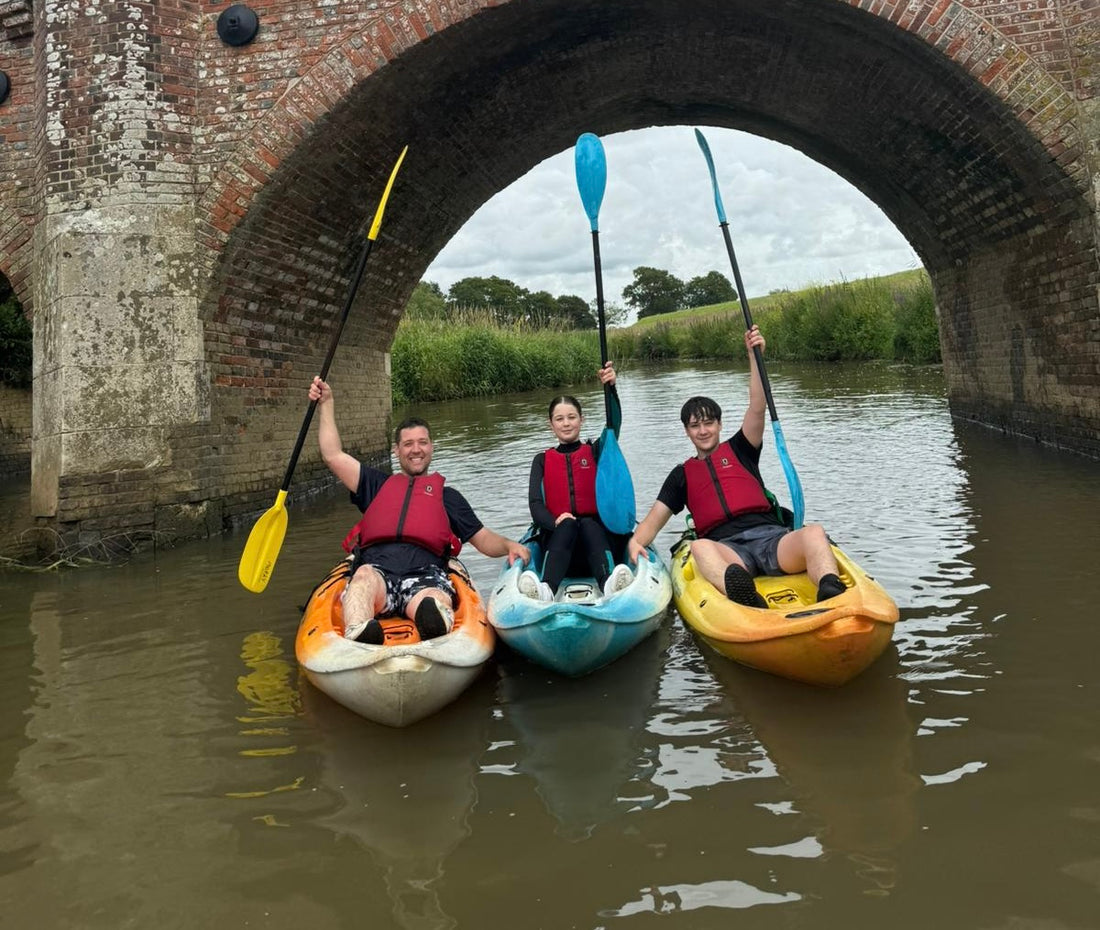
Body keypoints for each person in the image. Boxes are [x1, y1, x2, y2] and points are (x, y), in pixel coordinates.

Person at [626, 326, 846, 607]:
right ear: (687, 432)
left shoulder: (742, 448)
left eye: (708, 423)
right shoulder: (681, 475)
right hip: (728, 551)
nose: (703, 431)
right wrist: (635, 544)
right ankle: (746, 597)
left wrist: (755, 357)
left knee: (814, 531)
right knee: (699, 546)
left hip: (771, 541)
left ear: (719, 425)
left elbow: (757, 405)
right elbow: (654, 520)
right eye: (695, 426)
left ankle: (830, 588)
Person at [309, 376, 530, 642]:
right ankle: (361, 630)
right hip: (378, 573)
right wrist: (327, 403)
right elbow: (333, 455)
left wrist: (508, 545)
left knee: (432, 598)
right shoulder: (375, 485)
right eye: (408, 444)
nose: (416, 450)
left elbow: (482, 539)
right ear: (396, 450)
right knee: (363, 578)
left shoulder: (448, 498)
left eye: (422, 442)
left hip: (426, 577)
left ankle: (434, 620)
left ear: (431, 447)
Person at [520, 361, 635, 601]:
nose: (566, 423)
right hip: (561, 546)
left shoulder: (597, 451)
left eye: (572, 417)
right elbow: (535, 505)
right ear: (551, 424)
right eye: (559, 419)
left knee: (589, 524)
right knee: (570, 524)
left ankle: (609, 582)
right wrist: (555, 521)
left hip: (599, 545)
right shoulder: (541, 460)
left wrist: (611, 388)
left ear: (581, 420)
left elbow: (614, 425)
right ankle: (547, 589)